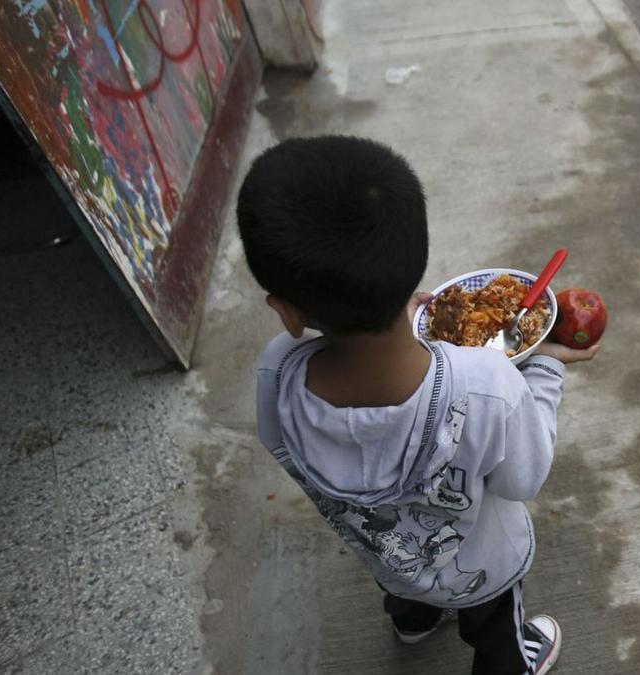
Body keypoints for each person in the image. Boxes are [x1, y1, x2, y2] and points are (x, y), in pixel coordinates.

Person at [236, 135, 597, 674]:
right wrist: (543, 369)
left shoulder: (275, 373)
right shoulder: (486, 384)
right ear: (414, 264)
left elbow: (289, 445)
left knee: (405, 567)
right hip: (479, 570)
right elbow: (523, 481)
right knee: (494, 626)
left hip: (389, 558)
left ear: (286, 311)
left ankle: (412, 620)